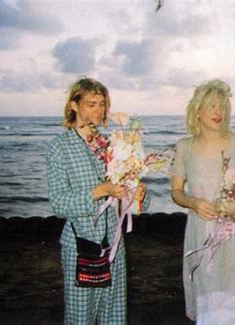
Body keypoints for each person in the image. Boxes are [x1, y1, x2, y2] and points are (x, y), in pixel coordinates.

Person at [46, 77, 147, 324]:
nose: (99, 110)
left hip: (114, 245)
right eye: (91, 104)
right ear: (73, 105)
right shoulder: (59, 147)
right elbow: (59, 204)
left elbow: (125, 204)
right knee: (81, 317)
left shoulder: (112, 145)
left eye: (102, 104)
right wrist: (101, 190)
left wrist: (135, 194)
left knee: (114, 315)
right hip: (81, 244)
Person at [171, 79, 235, 324]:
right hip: (201, 229)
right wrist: (194, 203)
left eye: (222, 106)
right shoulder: (184, 147)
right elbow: (176, 192)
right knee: (209, 294)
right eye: (212, 106)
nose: (218, 112)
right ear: (197, 111)